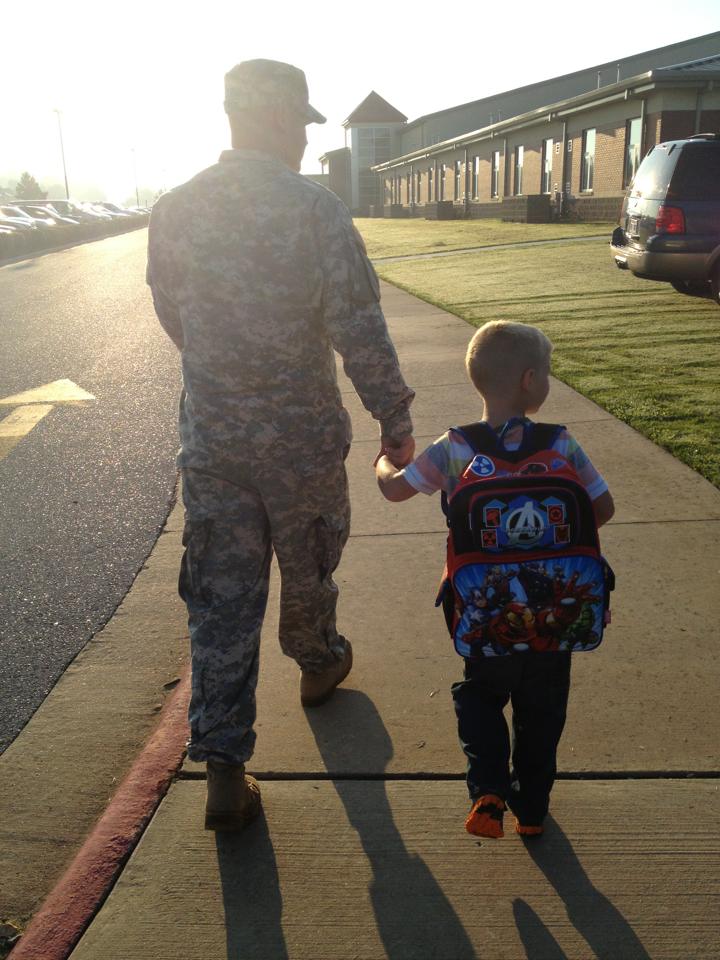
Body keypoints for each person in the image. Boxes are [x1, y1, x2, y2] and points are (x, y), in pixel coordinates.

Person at [147, 59, 415, 831]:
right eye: (299, 123)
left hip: (215, 444)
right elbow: (356, 323)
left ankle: (224, 772)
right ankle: (318, 662)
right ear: (273, 120)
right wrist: (393, 418)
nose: (302, 139)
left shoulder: (176, 210)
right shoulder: (314, 210)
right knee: (309, 566)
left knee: (220, 601)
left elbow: (172, 312)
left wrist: (225, 374)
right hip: (300, 444)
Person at [375, 321, 614, 838]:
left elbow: (394, 491)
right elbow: (603, 509)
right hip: (555, 618)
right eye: (546, 372)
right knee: (543, 711)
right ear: (529, 380)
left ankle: (487, 788)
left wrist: (384, 464)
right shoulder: (560, 443)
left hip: (484, 612)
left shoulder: (456, 447)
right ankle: (532, 813)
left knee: (481, 696)